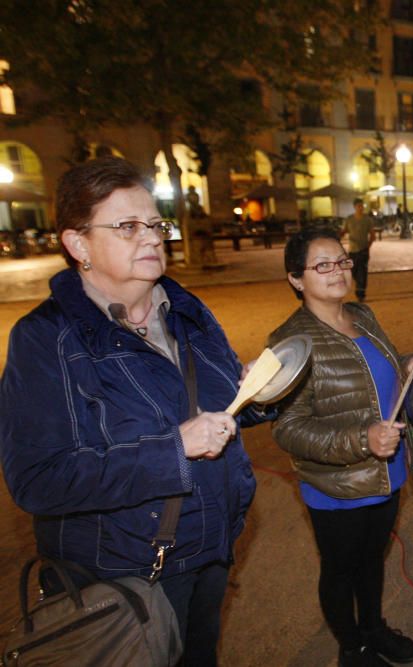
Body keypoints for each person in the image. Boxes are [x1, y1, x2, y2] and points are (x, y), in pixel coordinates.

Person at [0, 157, 266, 666]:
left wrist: (256, 392)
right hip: (124, 574)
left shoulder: (188, 312)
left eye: (155, 224)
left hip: (211, 550)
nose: (152, 238)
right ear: (78, 245)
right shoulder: (46, 339)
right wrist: (173, 450)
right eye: (127, 227)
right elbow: (38, 480)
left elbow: (225, 415)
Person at [269, 228, 413, 666]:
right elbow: (288, 428)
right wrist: (362, 439)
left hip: (387, 469)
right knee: (341, 569)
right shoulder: (291, 341)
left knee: (373, 557)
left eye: (342, 260)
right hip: (336, 483)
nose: (338, 271)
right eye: (322, 265)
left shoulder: (361, 314)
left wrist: (406, 364)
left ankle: (374, 628)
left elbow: (369, 374)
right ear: (296, 279)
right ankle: (352, 645)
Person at [343, 197, 377, 302]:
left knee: (362, 272)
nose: (361, 208)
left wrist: (368, 246)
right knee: (353, 271)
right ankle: (359, 286)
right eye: (359, 206)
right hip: (352, 250)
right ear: (354, 207)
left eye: (362, 206)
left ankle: (361, 294)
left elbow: (372, 234)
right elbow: (344, 231)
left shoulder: (367, 220)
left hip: (363, 250)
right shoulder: (349, 219)